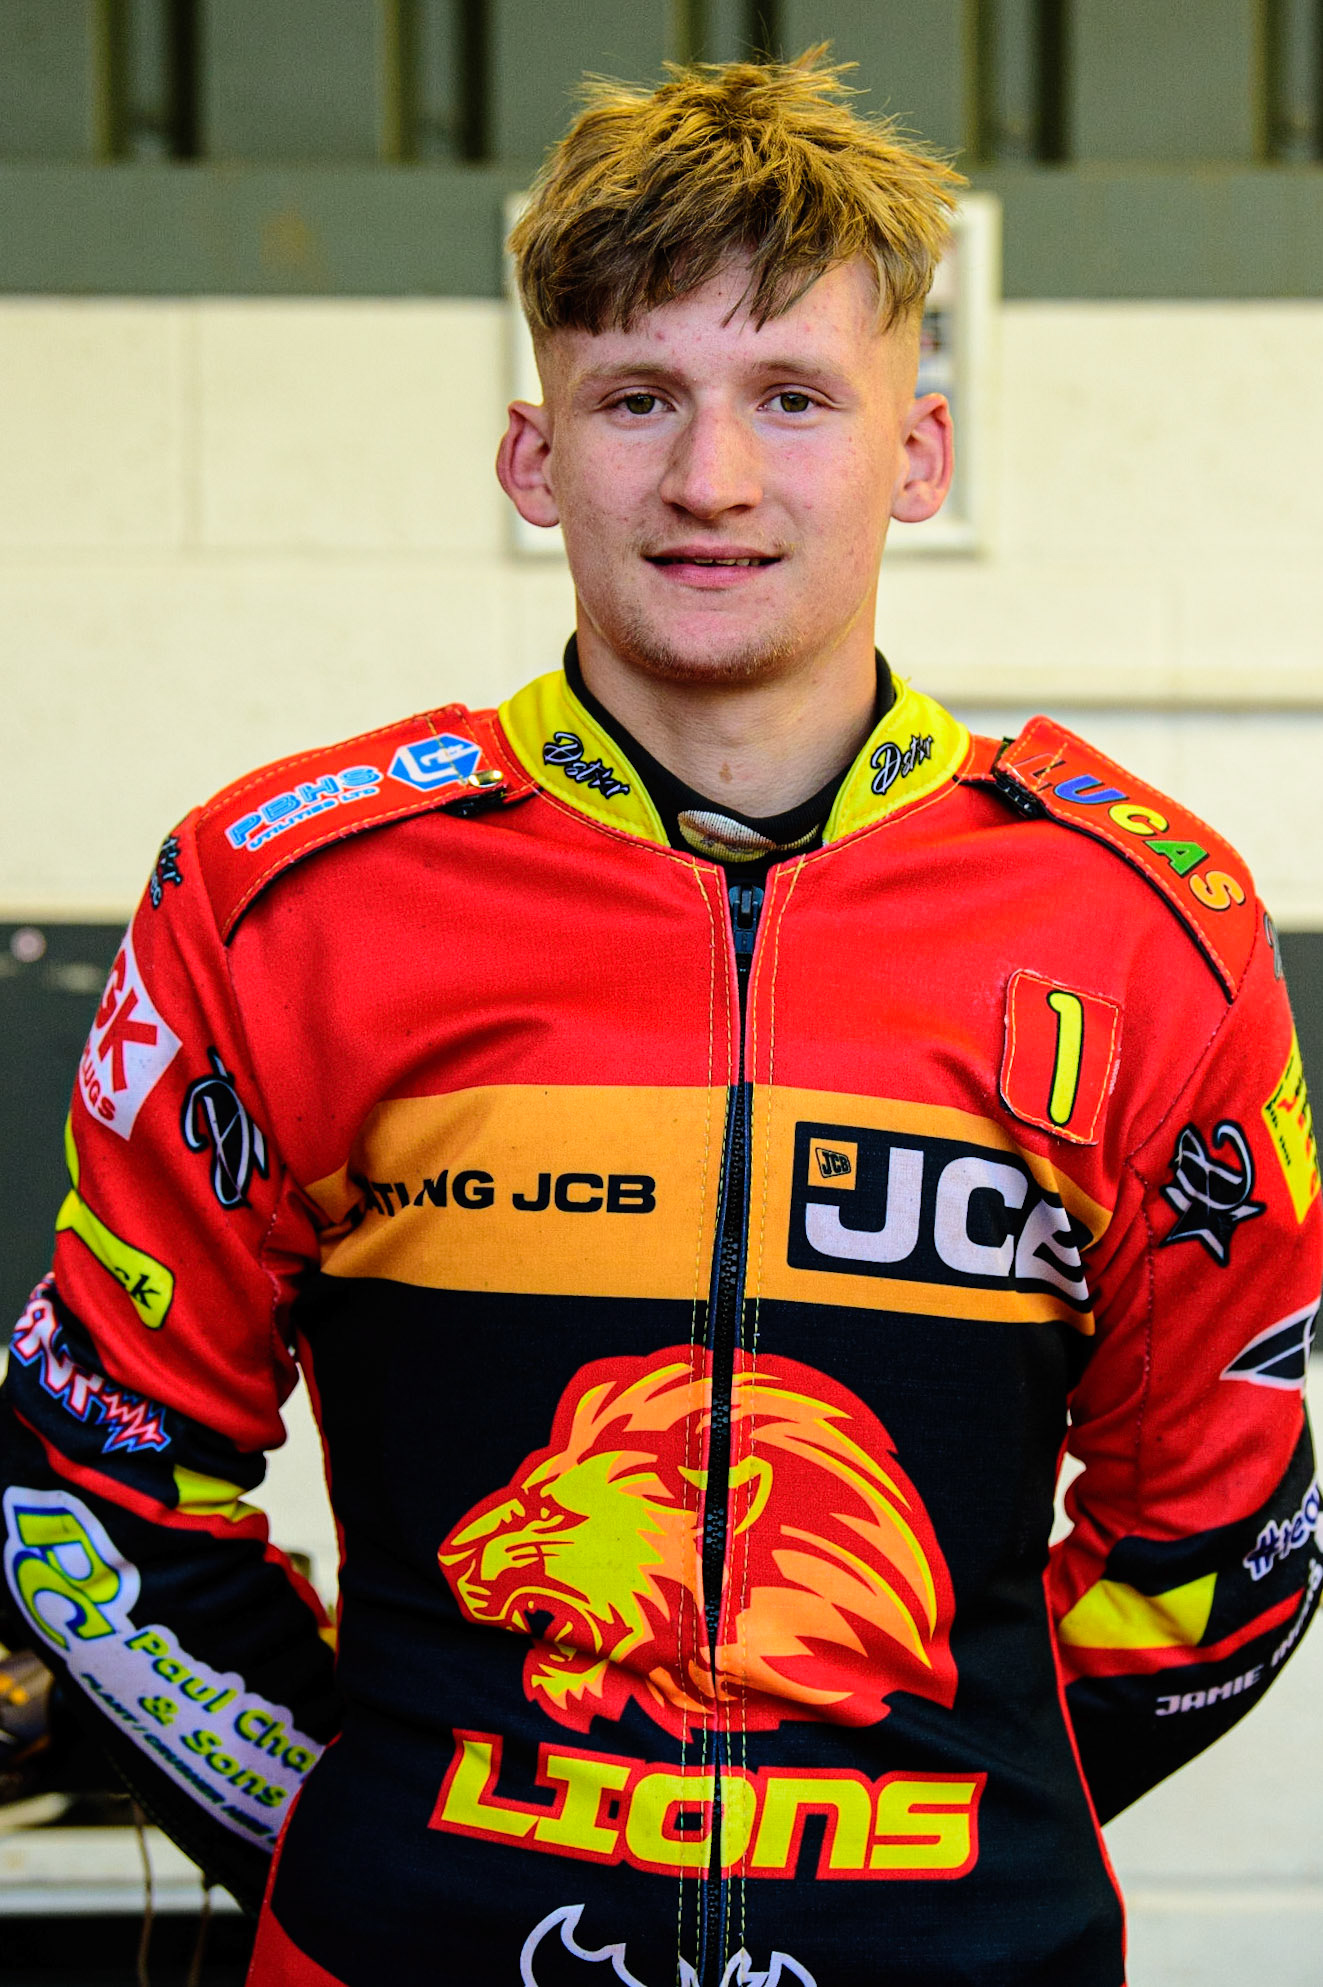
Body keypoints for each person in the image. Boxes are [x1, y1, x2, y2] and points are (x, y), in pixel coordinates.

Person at [2, 52, 1319, 1987]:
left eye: (794, 397)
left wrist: (929, 1827)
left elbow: (1224, 1547)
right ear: (536, 457)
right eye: (638, 400)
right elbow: (95, 1491)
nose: (712, 480)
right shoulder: (283, 897)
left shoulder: (1142, 927)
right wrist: (368, 1828)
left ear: (919, 454)